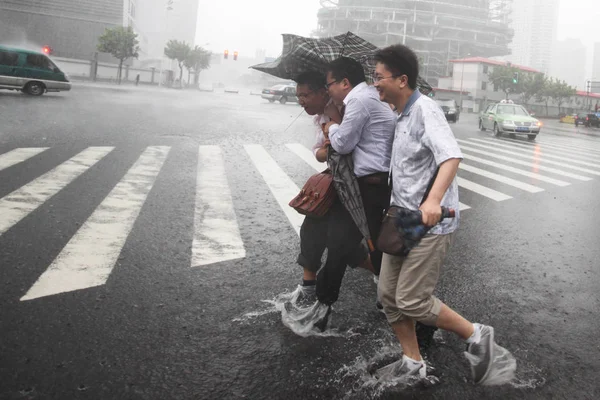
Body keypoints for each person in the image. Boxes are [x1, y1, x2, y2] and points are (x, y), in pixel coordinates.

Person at [371, 44, 516, 384]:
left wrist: (433, 201)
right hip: (402, 221)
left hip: (430, 225)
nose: (374, 83)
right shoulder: (402, 114)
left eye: (379, 77)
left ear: (402, 79)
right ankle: (413, 362)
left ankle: (478, 335)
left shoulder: (425, 110)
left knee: (412, 300)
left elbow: (450, 156)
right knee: (388, 298)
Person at [291, 70, 375, 320]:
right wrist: (327, 148)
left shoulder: (349, 106)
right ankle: (309, 287)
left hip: (356, 185)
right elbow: (318, 152)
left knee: (342, 245)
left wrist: (336, 128)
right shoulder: (321, 117)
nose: (301, 101)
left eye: (305, 95)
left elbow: (351, 145)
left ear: (322, 92)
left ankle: (384, 277)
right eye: (298, 96)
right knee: (311, 228)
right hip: (336, 181)